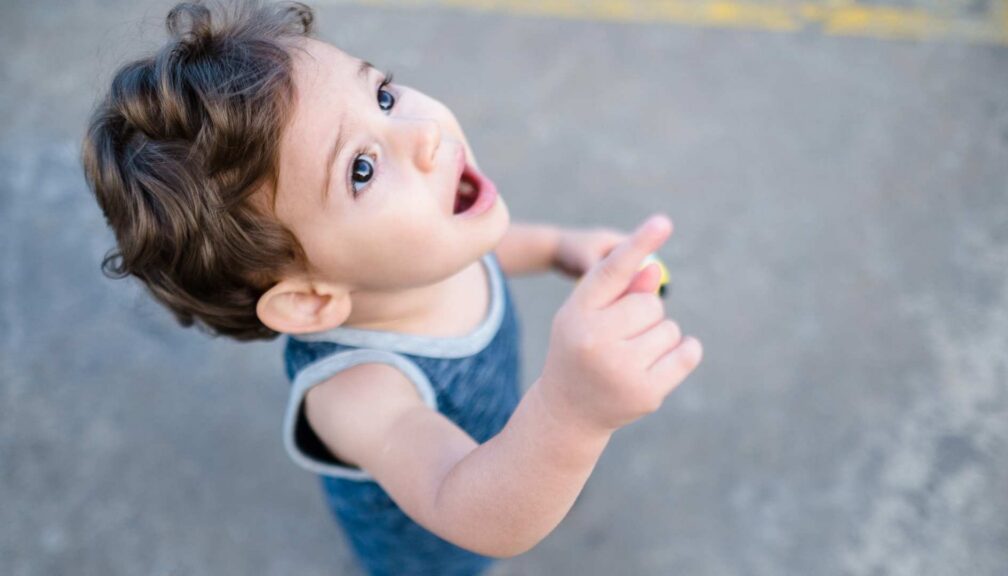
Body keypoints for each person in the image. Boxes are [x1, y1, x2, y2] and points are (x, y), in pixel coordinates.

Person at [81, 1, 703, 574]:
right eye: (362, 168)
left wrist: (557, 247)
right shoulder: (358, 390)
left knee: (530, 466)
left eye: (382, 95)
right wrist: (571, 416)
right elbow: (471, 510)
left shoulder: (426, 244)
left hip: (512, 452)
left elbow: (485, 256)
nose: (424, 132)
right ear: (312, 297)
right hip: (435, 543)